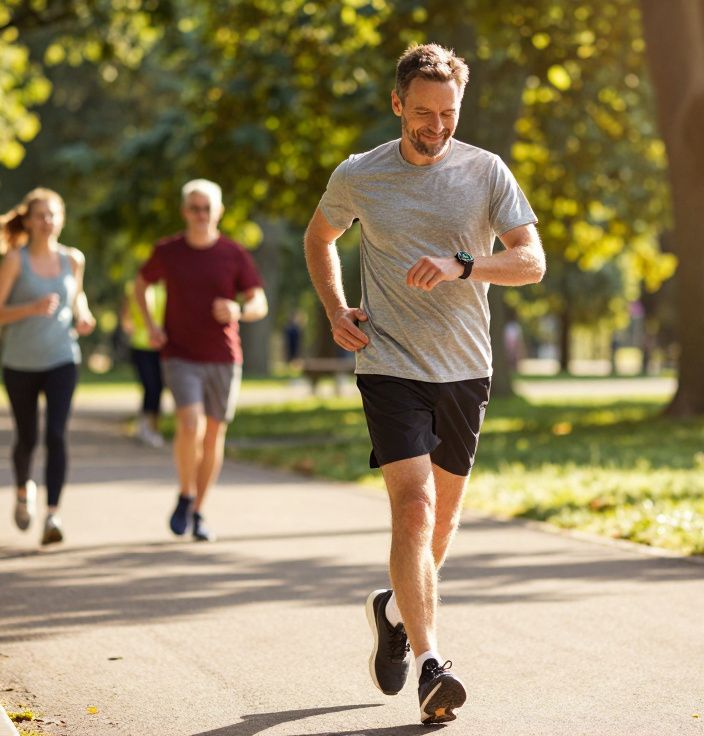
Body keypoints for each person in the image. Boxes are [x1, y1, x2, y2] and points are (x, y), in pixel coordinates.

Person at [303, 43, 544, 725]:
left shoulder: (485, 171)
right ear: (397, 104)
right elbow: (318, 237)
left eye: (449, 113)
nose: (437, 126)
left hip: (465, 366)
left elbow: (531, 261)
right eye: (424, 113)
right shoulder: (360, 175)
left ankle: (394, 610)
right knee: (414, 510)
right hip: (389, 363)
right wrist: (334, 307)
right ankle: (433, 663)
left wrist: (466, 264)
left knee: (442, 516)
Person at [135, 179, 267, 543]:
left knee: (213, 435)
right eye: (194, 207)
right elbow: (141, 283)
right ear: (184, 211)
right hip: (180, 353)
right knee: (189, 425)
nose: (200, 214)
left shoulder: (234, 254)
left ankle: (197, 510)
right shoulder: (168, 251)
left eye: (207, 208)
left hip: (224, 356)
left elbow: (259, 303)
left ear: (219, 211)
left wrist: (239, 309)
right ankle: (185, 492)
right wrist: (150, 326)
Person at [0, 188, 96, 545]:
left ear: (60, 219)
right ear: (28, 221)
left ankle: (52, 515)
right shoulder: (15, 261)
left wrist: (84, 315)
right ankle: (22, 491)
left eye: (52, 215)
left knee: (57, 435)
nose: (46, 222)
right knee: (27, 437)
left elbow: (76, 297)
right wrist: (30, 308)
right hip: (19, 362)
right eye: (40, 216)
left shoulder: (73, 259)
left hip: (62, 357)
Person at [123, 279, 166, 447]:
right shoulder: (134, 289)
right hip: (141, 345)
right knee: (150, 385)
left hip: (162, 346)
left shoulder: (166, 289)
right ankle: (145, 425)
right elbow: (126, 319)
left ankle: (152, 426)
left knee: (159, 387)